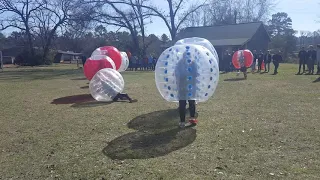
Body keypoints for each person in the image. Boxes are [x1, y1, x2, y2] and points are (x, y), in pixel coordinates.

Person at [175, 52, 198, 128]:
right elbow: (176, 74)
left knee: (191, 102)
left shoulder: (193, 63)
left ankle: (191, 119)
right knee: (182, 104)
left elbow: (196, 74)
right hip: (183, 86)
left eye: (188, 57)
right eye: (186, 56)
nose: (187, 58)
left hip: (191, 86)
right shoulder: (180, 64)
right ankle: (182, 121)